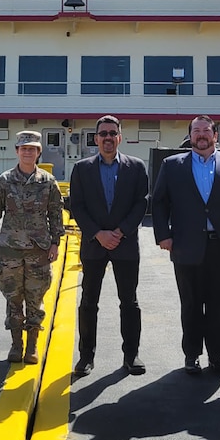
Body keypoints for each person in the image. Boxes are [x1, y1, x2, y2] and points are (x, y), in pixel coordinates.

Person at [151, 115, 220, 376]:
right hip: (187, 246)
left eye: (206, 131)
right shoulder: (172, 165)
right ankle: (192, 354)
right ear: (190, 135)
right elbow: (159, 201)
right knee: (191, 304)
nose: (201, 135)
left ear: (215, 135)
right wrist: (163, 235)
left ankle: (217, 355)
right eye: (196, 131)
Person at [68, 115, 150, 377]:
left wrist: (120, 232)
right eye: (103, 133)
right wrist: (97, 234)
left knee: (129, 302)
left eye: (112, 133)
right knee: (89, 302)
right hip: (94, 245)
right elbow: (77, 206)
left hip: (125, 245)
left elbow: (141, 203)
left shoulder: (136, 167)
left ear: (120, 137)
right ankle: (85, 356)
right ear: (95, 138)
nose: (107, 138)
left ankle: (131, 355)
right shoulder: (81, 169)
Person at [0, 131, 64, 364]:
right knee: (13, 298)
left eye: (32, 148)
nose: (28, 152)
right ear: (17, 151)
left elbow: (55, 215)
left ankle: (31, 346)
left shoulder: (48, 182)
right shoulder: (4, 181)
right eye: (24, 148)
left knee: (35, 299)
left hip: (39, 250)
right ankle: (16, 344)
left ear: (38, 152)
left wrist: (55, 243)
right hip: (9, 249)